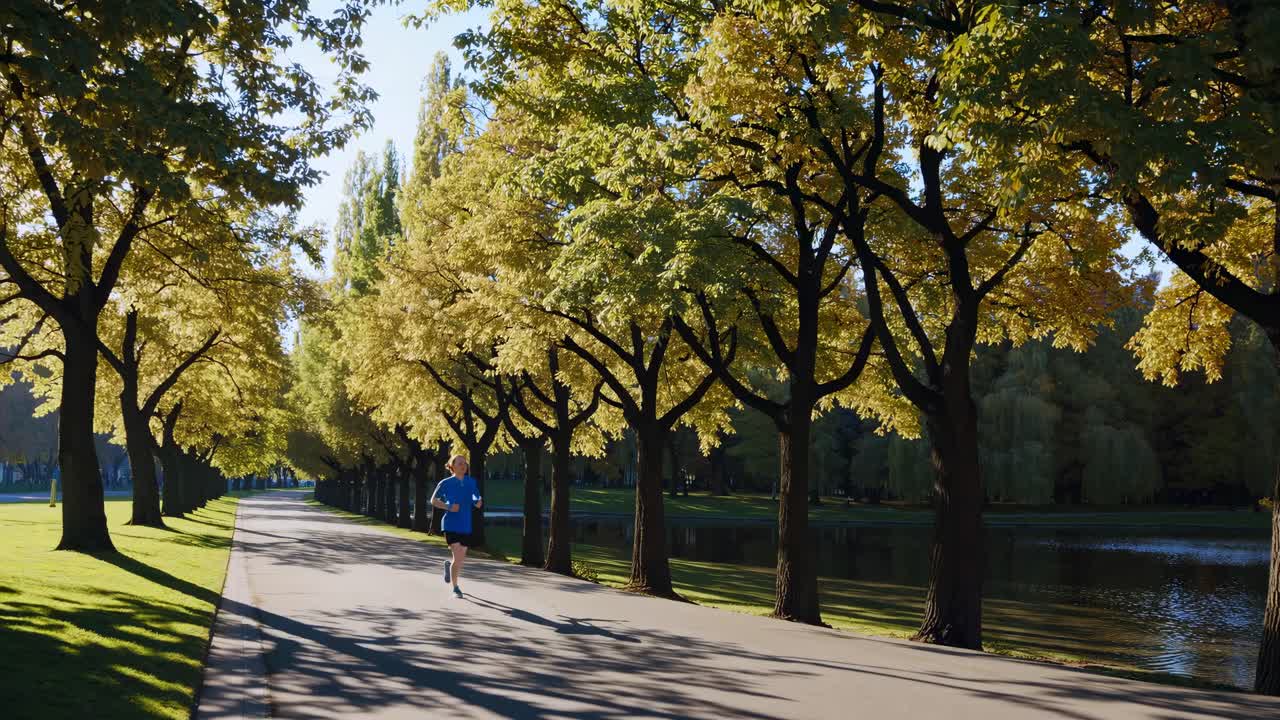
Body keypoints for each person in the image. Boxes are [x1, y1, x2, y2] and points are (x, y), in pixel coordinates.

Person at [431, 454, 483, 598]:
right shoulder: (445, 483)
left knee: (459, 559)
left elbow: (475, 497)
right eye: (460, 463)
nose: (463, 465)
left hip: (466, 524)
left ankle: (449, 565)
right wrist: (448, 506)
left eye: (465, 463)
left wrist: (478, 502)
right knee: (457, 553)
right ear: (452, 466)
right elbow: (433, 500)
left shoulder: (471, 482)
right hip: (450, 524)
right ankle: (455, 588)